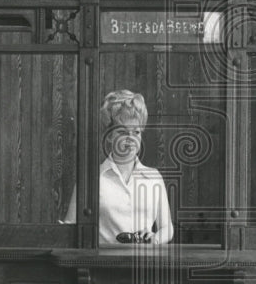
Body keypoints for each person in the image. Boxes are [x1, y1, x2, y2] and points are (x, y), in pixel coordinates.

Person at [62, 90, 174, 246]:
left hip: (144, 266)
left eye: (136, 132)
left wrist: (155, 239)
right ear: (109, 135)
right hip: (103, 266)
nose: (131, 139)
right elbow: (69, 229)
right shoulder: (89, 180)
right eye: (122, 132)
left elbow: (167, 227)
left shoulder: (154, 177)